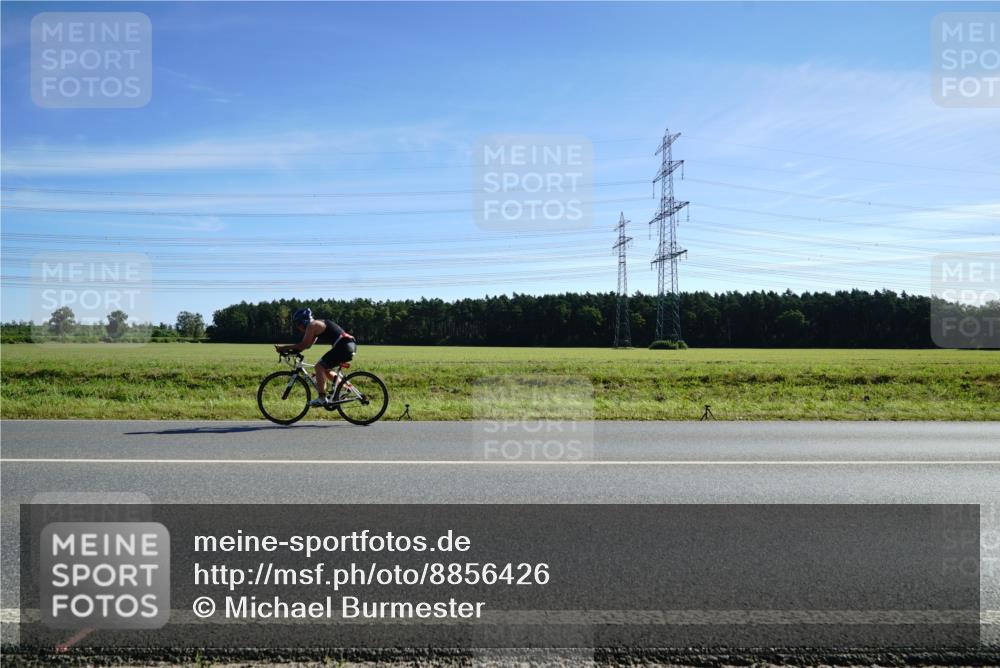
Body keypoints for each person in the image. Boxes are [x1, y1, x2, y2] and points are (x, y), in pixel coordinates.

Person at [276, 308, 356, 407]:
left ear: (303, 321)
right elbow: (308, 345)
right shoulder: (317, 324)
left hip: (343, 346)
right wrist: (292, 350)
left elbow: (303, 345)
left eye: (298, 324)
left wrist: (284, 348)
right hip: (348, 345)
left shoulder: (312, 325)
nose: (298, 328)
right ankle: (343, 389)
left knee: (319, 367)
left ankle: (322, 398)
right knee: (325, 369)